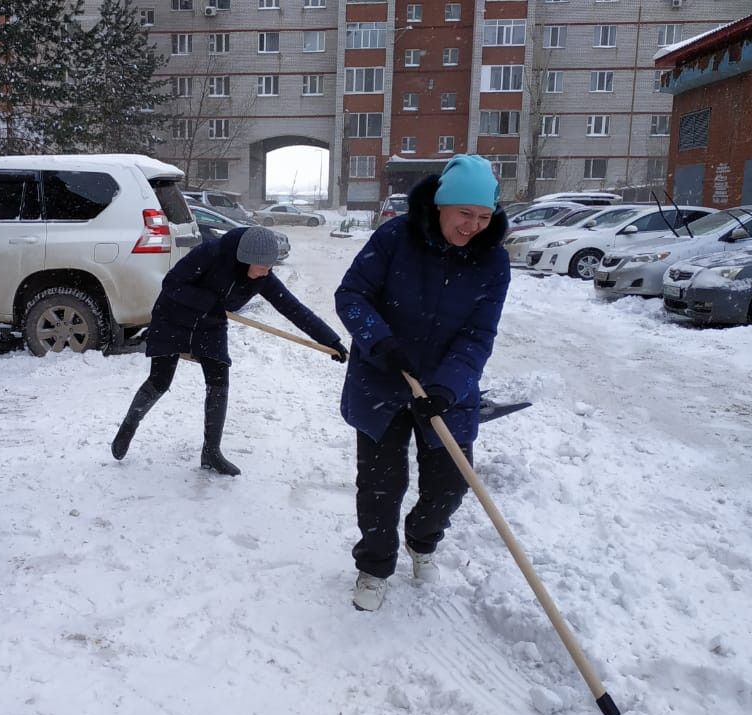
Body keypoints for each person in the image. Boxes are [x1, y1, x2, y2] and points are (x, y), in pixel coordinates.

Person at [334, 155, 511, 611]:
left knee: (451, 484)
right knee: (380, 485)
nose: (473, 225)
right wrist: (383, 344)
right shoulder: (395, 237)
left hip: (447, 390)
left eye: (483, 216)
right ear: (440, 206)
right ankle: (374, 567)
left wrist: (447, 387)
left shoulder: (492, 262)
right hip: (382, 380)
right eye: (464, 214)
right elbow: (350, 295)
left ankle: (421, 538)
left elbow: (479, 333)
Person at [111, 225, 348, 476]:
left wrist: (329, 341)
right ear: (248, 260)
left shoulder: (262, 277)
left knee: (219, 381)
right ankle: (129, 425)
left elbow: (293, 308)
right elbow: (172, 284)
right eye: (265, 266)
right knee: (160, 379)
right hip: (173, 316)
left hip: (209, 326)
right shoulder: (212, 254)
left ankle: (211, 452)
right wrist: (208, 302)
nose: (269, 272)